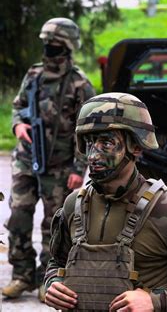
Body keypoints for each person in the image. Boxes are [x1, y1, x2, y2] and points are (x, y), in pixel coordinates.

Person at [43, 93, 167, 311]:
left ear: (136, 146)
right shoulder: (73, 206)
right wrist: (53, 283)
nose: (93, 155)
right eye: (89, 142)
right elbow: (57, 263)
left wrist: (156, 301)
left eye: (106, 142)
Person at [3, 17, 95, 301]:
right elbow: (18, 108)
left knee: (54, 224)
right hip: (25, 159)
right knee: (18, 215)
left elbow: (88, 131)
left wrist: (80, 168)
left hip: (60, 165)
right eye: (47, 44)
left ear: (67, 46)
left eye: (55, 45)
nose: (50, 49)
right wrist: (18, 125)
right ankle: (22, 276)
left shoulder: (80, 84)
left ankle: (49, 279)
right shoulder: (33, 75)